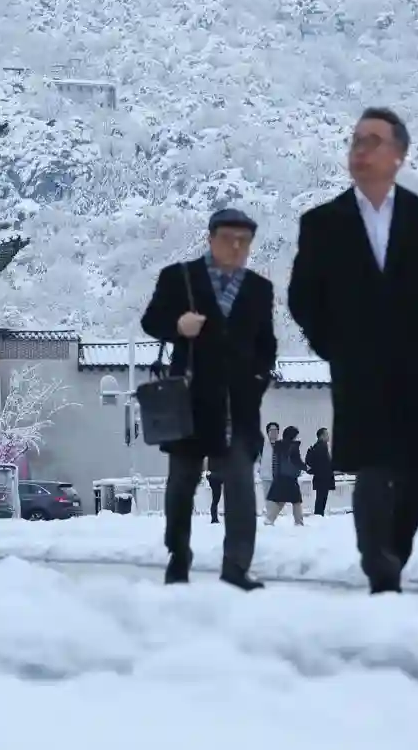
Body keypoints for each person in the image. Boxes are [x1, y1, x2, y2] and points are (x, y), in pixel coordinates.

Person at [289, 107, 418, 595]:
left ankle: (394, 557)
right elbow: (302, 297)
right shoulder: (323, 223)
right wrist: (334, 346)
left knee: (413, 477)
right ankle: (378, 565)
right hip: (359, 368)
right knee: (371, 467)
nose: (360, 150)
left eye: (372, 141)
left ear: (399, 155)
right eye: (355, 141)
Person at [141, 206, 276, 591]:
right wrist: (177, 326)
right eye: (228, 239)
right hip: (190, 400)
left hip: (238, 405)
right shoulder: (179, 278)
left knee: (239, 484)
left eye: (244, 241)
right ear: (211, 239)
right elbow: (151, 322)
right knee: (182, 485)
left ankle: (236, 566)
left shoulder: (258, 289)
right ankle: (178, 558)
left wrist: (258, 380)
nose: (236, 247)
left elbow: (267, 345)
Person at [265, 425, 306, 526]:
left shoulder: (278, 446)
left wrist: (275, 474)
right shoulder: (293, 447)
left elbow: (275, 462)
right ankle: (299, 522)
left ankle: (270, 519)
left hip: (280, 477)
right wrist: (306, 468)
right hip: (290, 477)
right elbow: (296, 461)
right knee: (296, 500)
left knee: (280, 499)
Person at [307, 428, 336, 516]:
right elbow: (324, 464)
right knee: (321, 500)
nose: (328, 436)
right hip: (323, 478)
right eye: (326, 434)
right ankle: (318, 516)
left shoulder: (319, 446)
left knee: (320, 499)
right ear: (322, 436)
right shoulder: (322, 447)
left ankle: (319, 515)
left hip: (320, 478)